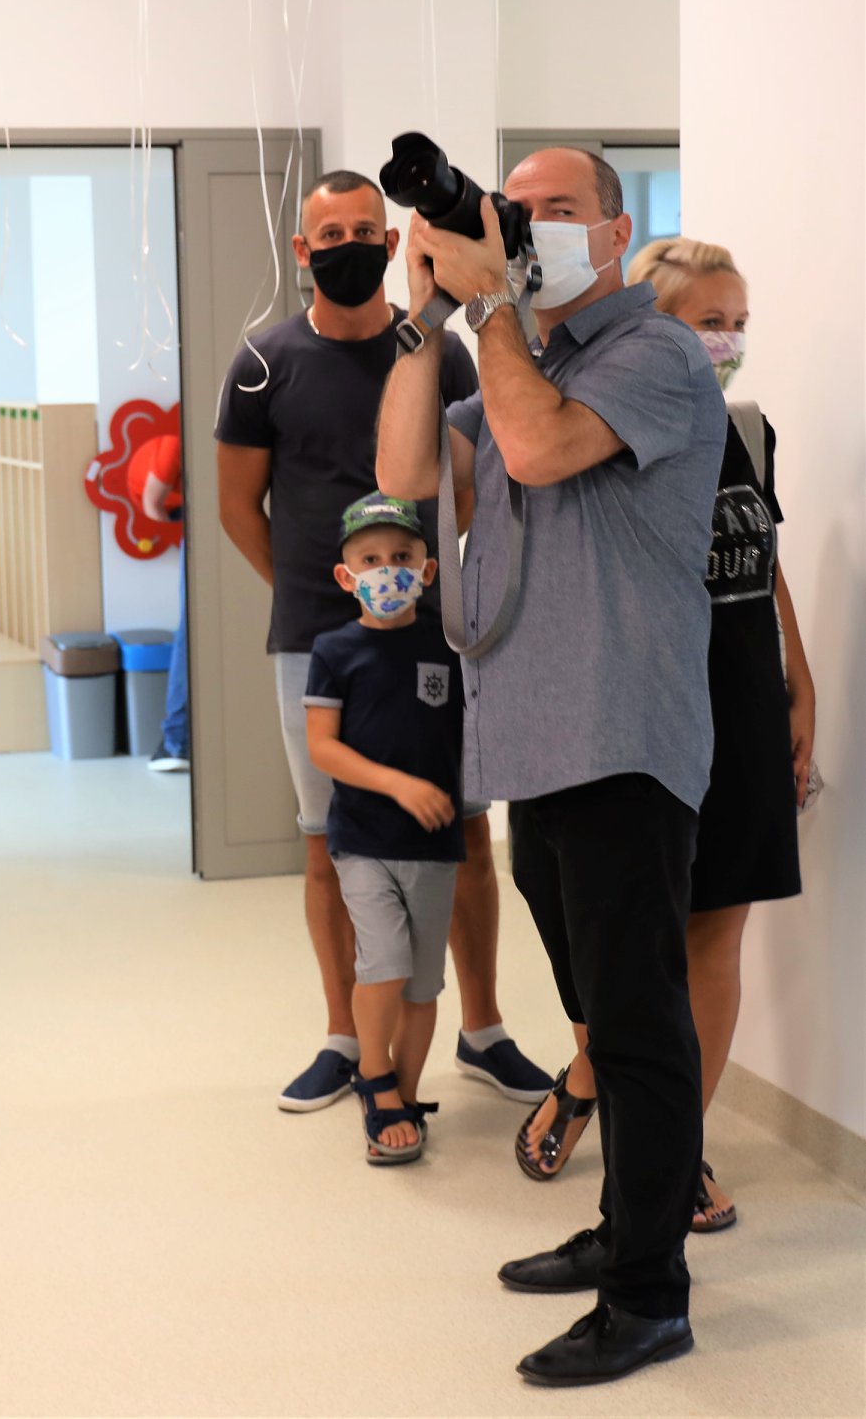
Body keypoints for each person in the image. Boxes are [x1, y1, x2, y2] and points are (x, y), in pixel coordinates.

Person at [376, 147, 726, 1386]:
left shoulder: (654, 354)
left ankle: (648, 1295)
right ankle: (621, 1228)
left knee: (635, 1023)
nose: (531, 229)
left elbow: (528, 454)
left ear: (617, 230)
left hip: (622, 739)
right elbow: (406, 476)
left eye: (558, 211)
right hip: (537, 741)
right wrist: (423, 321)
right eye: (514, 212)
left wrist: (488, 309)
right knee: (599, 1018)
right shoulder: (534, 356)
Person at [216, 169, 548, 1115]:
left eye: (368, 230)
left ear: (393, 242)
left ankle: (481, 1030)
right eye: (332, 235)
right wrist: (324, 605)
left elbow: (473, 482)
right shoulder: (262, 363)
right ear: (302, 250)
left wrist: (421, 585)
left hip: (437, 636)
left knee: (465, 828)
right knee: (328, 843)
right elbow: (238, 507)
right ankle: (342, 1037)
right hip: (316, 641)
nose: (350, 247)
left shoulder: (438, 354)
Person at [509, 239, 815, 1234]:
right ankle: (589, 1074)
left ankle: (675, 1153)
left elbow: (758, 557)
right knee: (620, 940)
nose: (723, 342)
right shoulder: (603, 421)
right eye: (703, 322)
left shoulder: (745, 427)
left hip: (743, 699)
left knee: (714, 932)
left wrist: (797, 683)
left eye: (736, 323)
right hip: (641, 700)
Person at [304, 496, 466, 1165]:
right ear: (347, 578)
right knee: (385, 963)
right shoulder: (334, 650)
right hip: (363, 841)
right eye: (370, 559)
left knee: (423, 985)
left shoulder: (448, 646)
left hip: (434, 845)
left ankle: (403, 1092)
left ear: (428, 570)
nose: (387, 569)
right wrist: (397, 784)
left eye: (401, 557)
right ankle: (373, 1076)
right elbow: (322, 746)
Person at [141, 432, 189, 772]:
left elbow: (152, 505)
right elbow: (152, 506)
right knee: (191, 632)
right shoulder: (175, 443)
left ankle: (177, 741)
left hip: (198, 521)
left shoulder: (176, 442)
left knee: (190, 632)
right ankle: (177, 739)